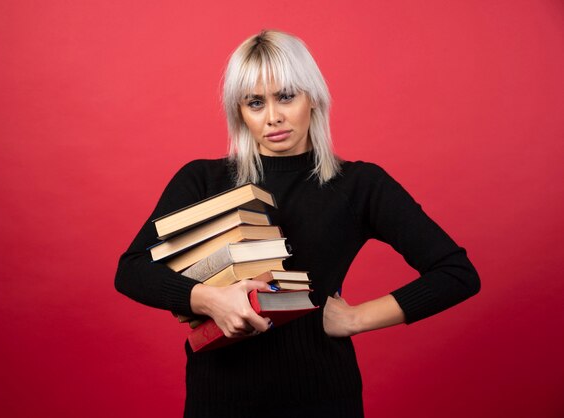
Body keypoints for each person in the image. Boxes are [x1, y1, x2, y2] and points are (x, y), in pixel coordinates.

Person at [115, 29, 480, 418]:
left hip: (323, 398)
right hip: (219, 401)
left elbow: (456, 273)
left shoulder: (358, 185)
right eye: (255, 103)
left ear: (313, 98)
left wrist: (358, 318)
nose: (273, 116)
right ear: (239, 112)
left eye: (286, 96)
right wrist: (209, 299)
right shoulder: (202, 180)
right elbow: (132, 269)